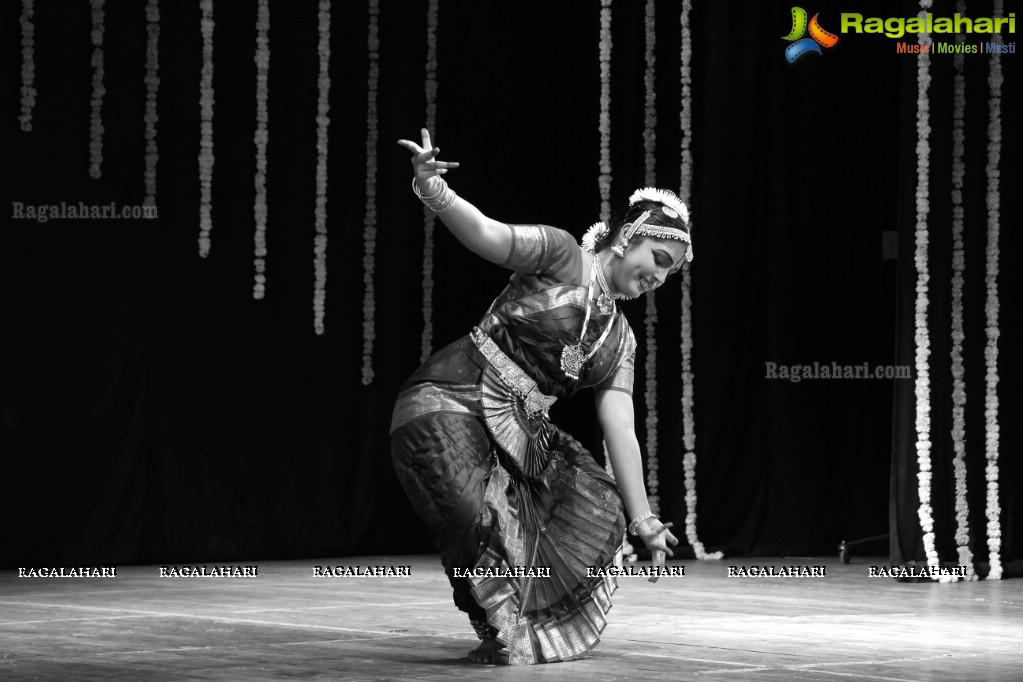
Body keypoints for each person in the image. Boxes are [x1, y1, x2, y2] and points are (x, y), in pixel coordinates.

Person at [391, 129, 690, 665]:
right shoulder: (559, 254)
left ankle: (497, 628)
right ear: (628, 237)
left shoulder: (620, 340)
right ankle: (494, 620)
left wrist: (644, 518)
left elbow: (619, 425)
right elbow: (488, 234)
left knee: (583, 508)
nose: (661, 276)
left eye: (671, 270)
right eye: (660, 257)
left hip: (523, 431)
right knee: (470, 515)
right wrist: (433, 190)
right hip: (451, 397)